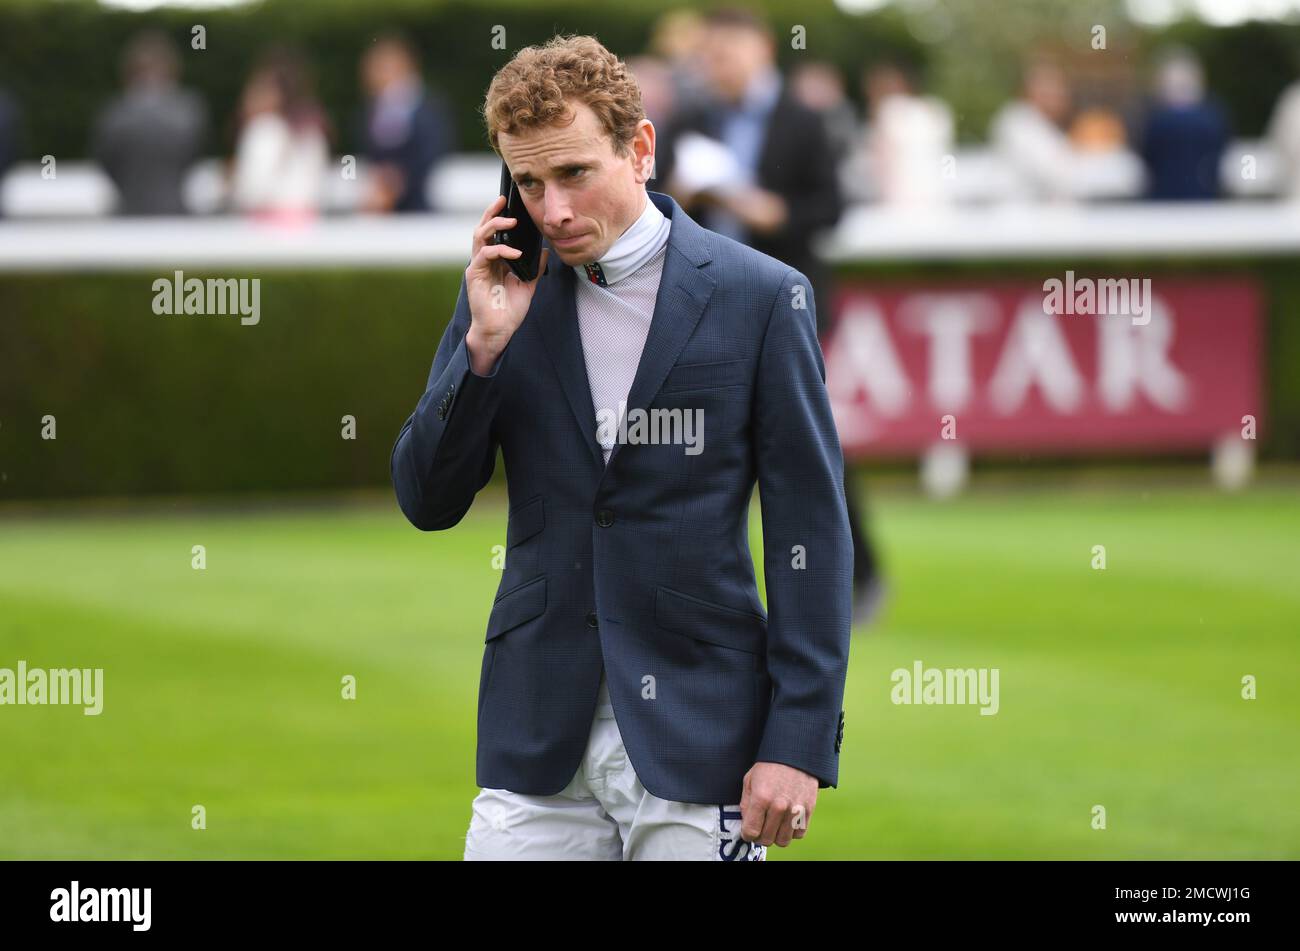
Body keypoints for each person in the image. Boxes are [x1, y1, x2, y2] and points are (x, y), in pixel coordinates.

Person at [390, 34, 852, 860]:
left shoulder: (760, 296)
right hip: (535, 737)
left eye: (573, 173)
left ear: (639, 150)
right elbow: (427, 500)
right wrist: (483, 352)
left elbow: (808, 535)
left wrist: (798, 741)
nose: (552, 210)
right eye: (527, 182)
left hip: (701, 735)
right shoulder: (499, 294)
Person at [653, 7, 882, 623]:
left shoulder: (805, 119)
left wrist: (771, 212)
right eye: (711, 53)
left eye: (728, 50)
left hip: (788, 301)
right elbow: (652, 201)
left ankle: (857, 575)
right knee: (701, 441)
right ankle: (697, 589)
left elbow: (831, 208)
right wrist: (687, 194)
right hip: (704, 301)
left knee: (803, 437)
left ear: (761, 49)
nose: (717, 63)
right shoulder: (690, 119)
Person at [91, 30, 208, 215]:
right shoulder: (188, 109)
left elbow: (105, 158)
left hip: (128, 211)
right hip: (175, 211)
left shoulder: (117, 112)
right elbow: (194, 154)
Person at [357, 34, 457, 213]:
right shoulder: (372, 109)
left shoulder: (429, 107)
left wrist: (399, 181)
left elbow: (433, 150)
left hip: (419, 203)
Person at [229, 48, 331, 221]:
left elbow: (251, 191)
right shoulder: (311, 131)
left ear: (276, 96)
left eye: (257, 90)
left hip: (264, 227)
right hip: (308, 225)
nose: (248, 97)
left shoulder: (261, 130)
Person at [1139, 48, 1229, 201]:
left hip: (1164, 199)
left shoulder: (1157, 119)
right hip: (1205, 198)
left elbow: (1147, 154)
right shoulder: (1213, 116)